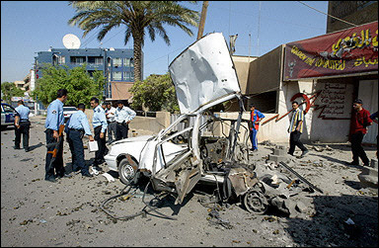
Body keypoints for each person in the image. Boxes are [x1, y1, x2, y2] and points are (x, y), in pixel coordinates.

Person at [44, 89, 70, 183]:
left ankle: (60, 172)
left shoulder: (59, 105)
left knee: (58, 153)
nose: (66, 98)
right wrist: (55, 131)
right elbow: (53, 119)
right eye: (66, 96)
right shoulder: (55, 104)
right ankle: (49, 174)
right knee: (52, 153)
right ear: (64, 96)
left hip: (58, 131)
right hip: (53, 132)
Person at [66, 103, 95, 177]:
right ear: (84, 109)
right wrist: (90, 135)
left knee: (73, 151)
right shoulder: (82, 115)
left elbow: (67, 124)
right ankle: (84, 170)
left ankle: (75, 167)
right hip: (76, 134)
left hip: (70, 133)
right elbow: (85, 125)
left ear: (77, 108)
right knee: (79, 152)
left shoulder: (73, 114)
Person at [348, 99, 372, 166]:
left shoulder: (365, 112)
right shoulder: (355, 113)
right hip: (354, 131)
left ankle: (366, 161)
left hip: (360, 131)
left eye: (355, 104)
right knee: (353, 146)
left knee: (358, 146)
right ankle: (355, 161)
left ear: (360, 104)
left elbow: (370, 122)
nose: (354, 106)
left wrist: (364, 127)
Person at [90, 97, 108, 171]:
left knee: (99, 145)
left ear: (96, 103)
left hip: (100, 128)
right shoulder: (96, 110)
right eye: (90, 103)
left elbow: (104, 122)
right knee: (101, 144)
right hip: (97, 128)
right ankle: (102, 156)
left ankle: (98, 159)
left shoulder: (99, 110)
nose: (91, 105)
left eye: (93, 103)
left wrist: (102, 132)